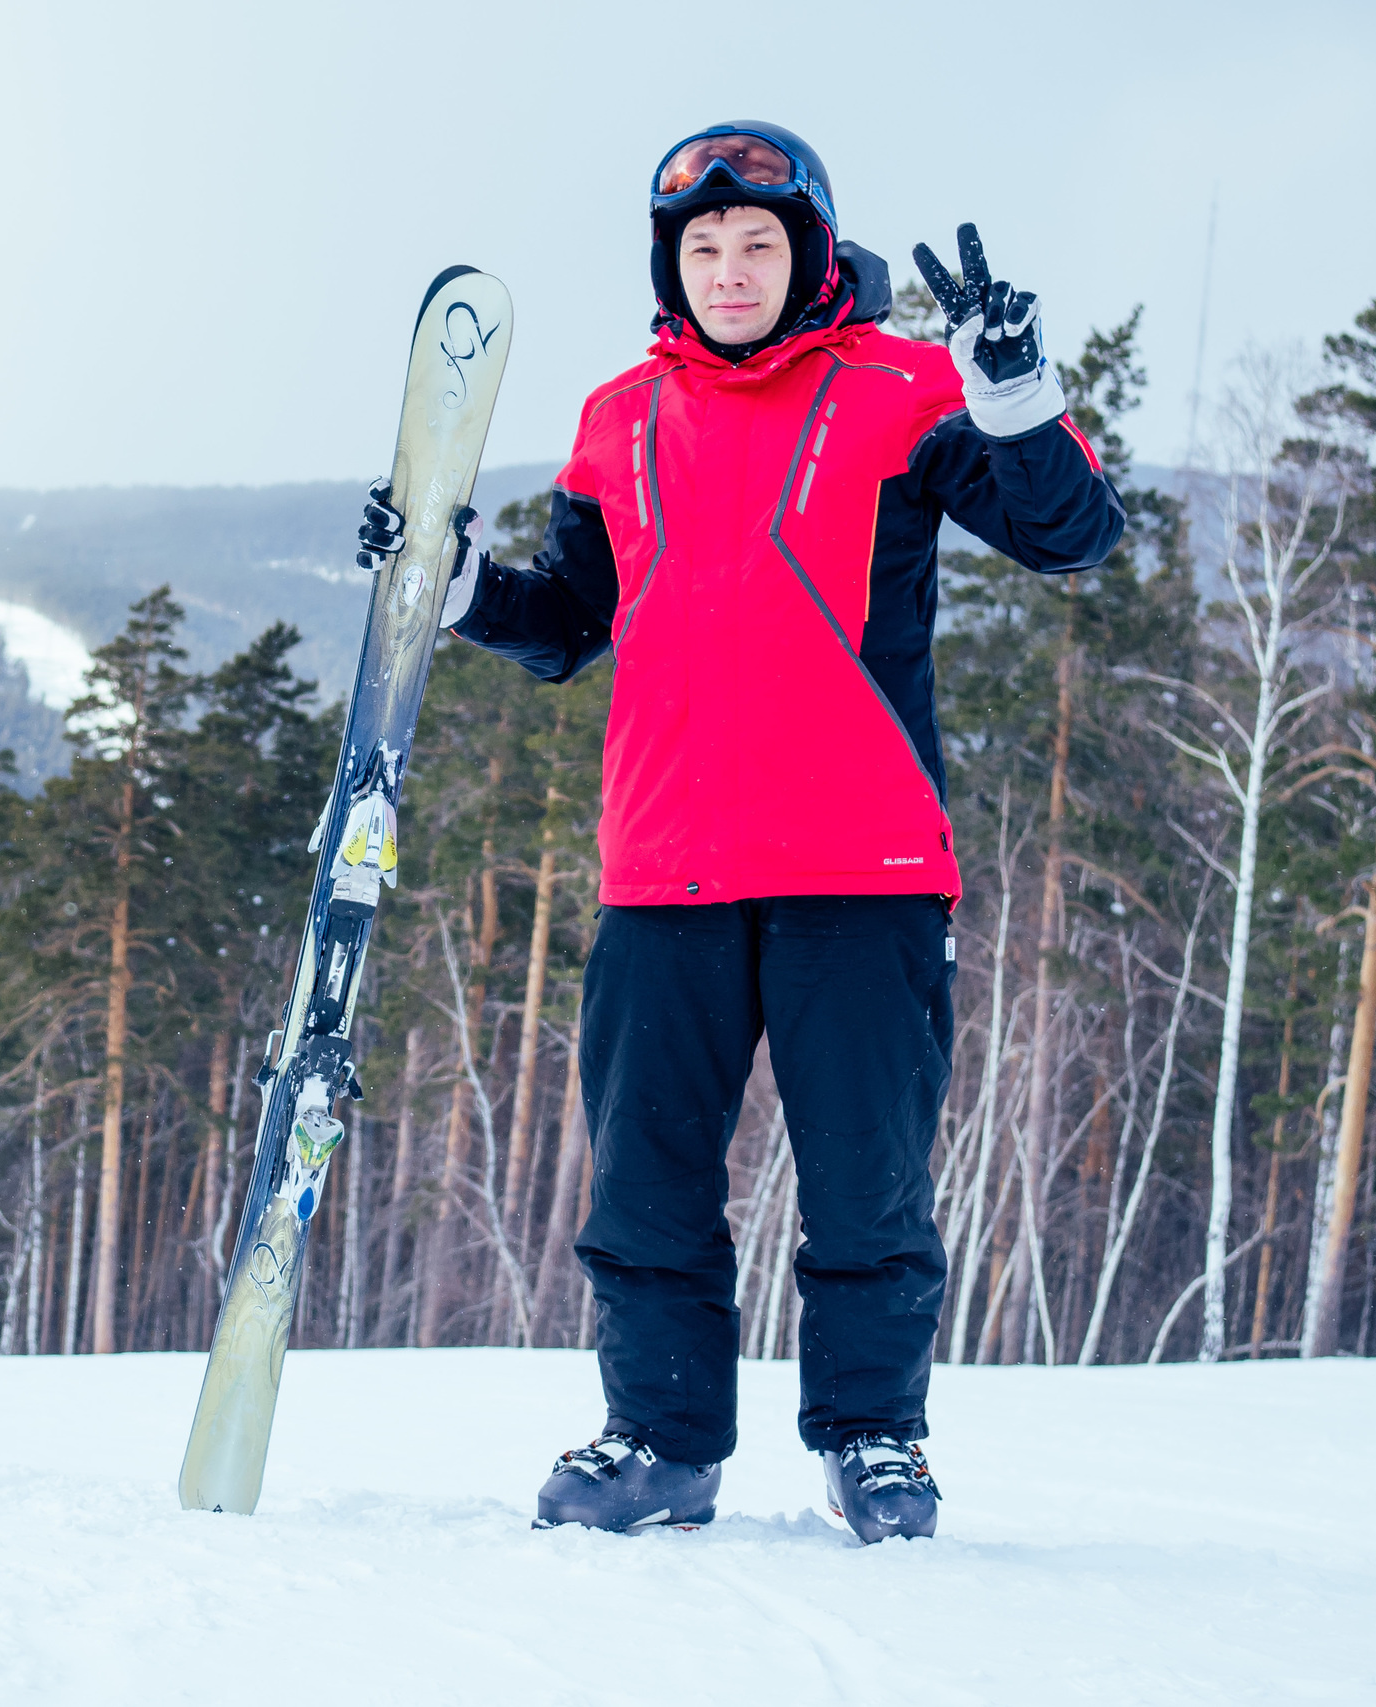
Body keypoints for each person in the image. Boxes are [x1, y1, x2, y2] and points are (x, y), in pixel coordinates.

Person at [355, 121, 1123, 1543]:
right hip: (667, 868)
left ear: (809, 247)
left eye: (757, 243)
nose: (729, 269)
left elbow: (1070, 536)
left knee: (864, 1185)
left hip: (865, 866)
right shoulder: (615, 416)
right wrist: (456, 586)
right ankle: (658, 1443)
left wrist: (1015, 400)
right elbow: (574, 621)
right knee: (646, 1184)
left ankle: (875, 1443)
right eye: (702, 247)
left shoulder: (905, 387)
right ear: (671, 262)